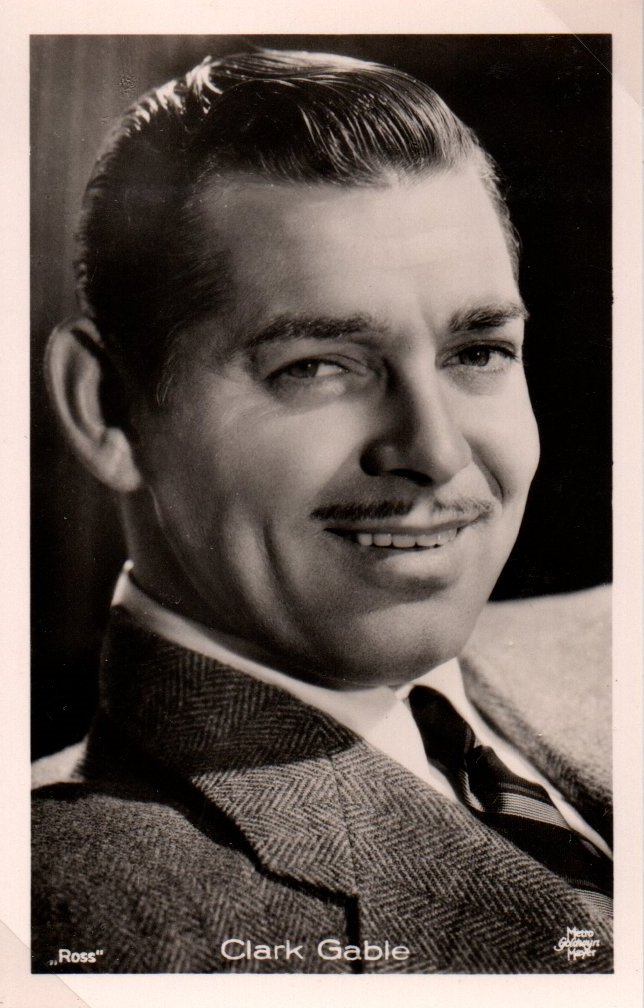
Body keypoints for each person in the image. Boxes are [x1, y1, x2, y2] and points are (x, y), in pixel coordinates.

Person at [31, 48, 612, 974]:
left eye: (477, 352)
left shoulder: (607, 646)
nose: (436, 452)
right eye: (316, 367)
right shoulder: (76, 905)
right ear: (105, 407)